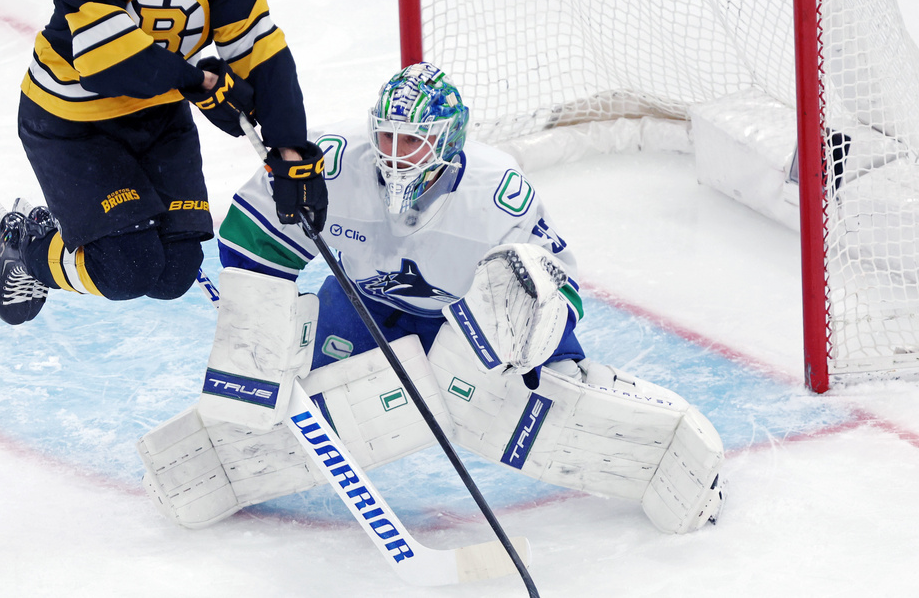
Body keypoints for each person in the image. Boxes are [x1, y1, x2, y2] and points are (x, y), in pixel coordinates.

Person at [137, 63, 726, 535]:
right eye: (386, 135)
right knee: (321, 404)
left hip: (469, 321)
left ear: (447, 140)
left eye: (412, 142)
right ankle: (228, 465)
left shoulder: (496, 193)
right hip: (368, 305)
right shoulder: (333, 166)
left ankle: (638, 430)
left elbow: (560, 285)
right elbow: (252, 228)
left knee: (527, 393)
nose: (394, 153)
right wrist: (262, 329)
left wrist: (526, 343)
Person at [0, 0, 327, 326]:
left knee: (175, 274)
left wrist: (290, 149)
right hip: (73, 122)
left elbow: (259, 48)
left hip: (160, 116)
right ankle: (27, 249)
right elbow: (106, 63)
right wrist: (199, 82)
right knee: (127, 270)